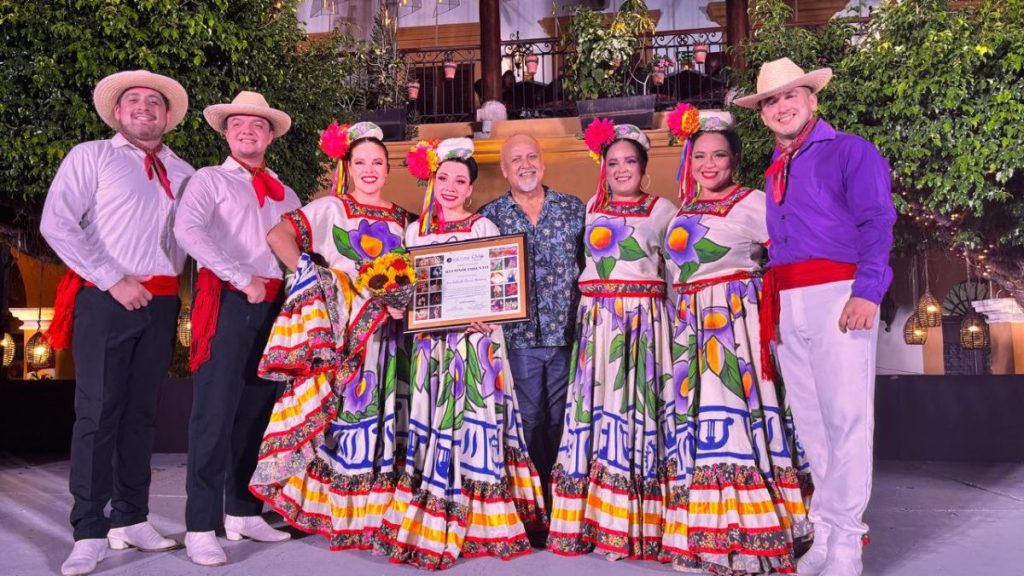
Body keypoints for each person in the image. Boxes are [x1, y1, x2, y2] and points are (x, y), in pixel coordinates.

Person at [734, 58, 896, 576]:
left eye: (790, 97)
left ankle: (848, 540)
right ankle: (824, 531)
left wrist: (868, 291)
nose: (781, 107)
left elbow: (877, 222)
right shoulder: (775, 167)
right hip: (787, 299)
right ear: (762, 115)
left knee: (847, 418)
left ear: (812, 100)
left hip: (839, 293)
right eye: (770, 102)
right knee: (811, 421)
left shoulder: (851, 150)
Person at [40, 70, 194, 576]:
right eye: (134, 101)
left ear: (168, 115)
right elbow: (56, 222)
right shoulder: (92, 156)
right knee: (97, 414)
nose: (145, 107)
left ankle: (130, 517)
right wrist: (112, 279)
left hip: (163, 303)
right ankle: (88, 530)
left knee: (140, 415)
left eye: (155, 101)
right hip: (106, 299)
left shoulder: (186, 170)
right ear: (118, 112)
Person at [373, 138, 546, 569]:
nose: (451, 187)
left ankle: (482, 516)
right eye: (444, 178)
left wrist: (492, 316)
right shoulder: (414, 232)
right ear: (432, 180)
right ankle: (434, 508)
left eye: (460, 181)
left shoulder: (483, 228)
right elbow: (408, 290)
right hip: (432, 346)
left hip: (475, 343)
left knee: (475, 420)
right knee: (433, 419)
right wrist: (398, 300)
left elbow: (501, 288)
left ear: (471, 189)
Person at [660, 109, 812, 573]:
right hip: (690, 328)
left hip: (735, 326)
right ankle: (706, 528)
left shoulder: (754, 202)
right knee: (700, 420)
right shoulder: (683, 210)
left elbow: (788, 254)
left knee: (738, 419)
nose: (709, 164)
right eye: (700, 155)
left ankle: (750, 530)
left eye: (719, 155)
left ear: (735, 160)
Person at [249, 122, 410, 551]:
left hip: (384, 335)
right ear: (348, 166)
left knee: (379, 420)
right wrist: (316, 277)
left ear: (388, 168)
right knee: (340, 418)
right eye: (361, 162)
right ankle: (334, 509)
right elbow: (277, 234)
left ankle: (373, 510)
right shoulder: (330, 209)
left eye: (378, 162)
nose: (370, 169)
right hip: (340, 335)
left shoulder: (401, 219)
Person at [173, 92, 301, 566]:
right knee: (213, 414)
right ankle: (200, 526)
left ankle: (244, 511)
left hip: (275, 308)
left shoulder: (285, 192)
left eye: (258, 126)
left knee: (256, 413)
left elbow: (295, 252)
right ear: (226, 133)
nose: (248, 131)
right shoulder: (208, 180)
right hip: (229, 300)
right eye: (239, 125)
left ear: (270, 135)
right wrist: (239, 276)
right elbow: (188, 232)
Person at [546, 122, 677, 559]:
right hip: (598, 325)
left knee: (635, 412)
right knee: (600, 412)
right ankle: (599, 522)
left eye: (630, 162)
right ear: (603, 167)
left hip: (641, 327)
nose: (622, 170)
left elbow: (676, 272)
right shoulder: (592, 207)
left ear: (644, 167)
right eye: (614, 162)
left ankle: (637, 523)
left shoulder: (663, 211)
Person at [478, 134, 585, 517]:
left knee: (563, 419)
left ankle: (564, 505)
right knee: (528, 419)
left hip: (566, 336)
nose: (525, 165)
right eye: (515, 160)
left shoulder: (574, 210)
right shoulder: (489, 218)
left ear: (543, 162)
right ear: (504, 170)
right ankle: (535, 506)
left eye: (532, 157)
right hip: (517, 339)